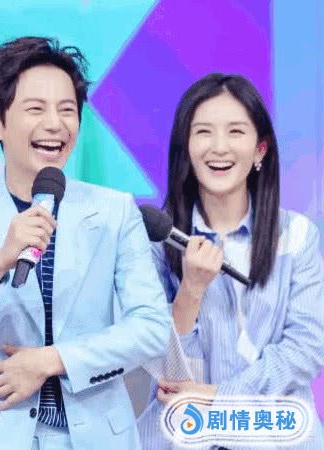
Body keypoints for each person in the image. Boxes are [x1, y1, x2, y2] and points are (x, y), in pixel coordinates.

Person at [0, 36, 171, 450]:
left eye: (67, 110)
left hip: (98, 435)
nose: (55, 124)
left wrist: (51, 361)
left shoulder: (114, 211)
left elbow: (151, 328)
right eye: (36, 109)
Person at [140, 73, 324, 449]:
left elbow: (306, 345)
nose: (219, 147)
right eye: (203, 132)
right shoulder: (155, 240)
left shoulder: (297, 236)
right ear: (186, 148)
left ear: (260, 150)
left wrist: (221, 398)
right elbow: (164, 371)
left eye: (236, 132)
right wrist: (190, 291)